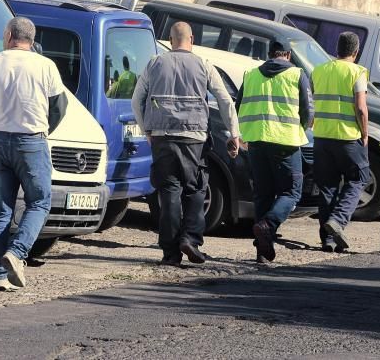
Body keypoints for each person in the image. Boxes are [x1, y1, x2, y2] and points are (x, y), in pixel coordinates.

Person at [0, 17, 68, 290]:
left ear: (9, 35)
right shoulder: (46, 66)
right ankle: (17, 252)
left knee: (1, 209)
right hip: (31, 142)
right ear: (31, 40)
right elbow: (59, 106)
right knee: (39, 203)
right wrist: (45, 129)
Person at [132, 21, 240, 266]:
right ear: (191, 38)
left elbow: (136, 100)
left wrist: (146, 130)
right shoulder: (204, 65)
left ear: (170, 40)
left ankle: (170, 253)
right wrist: (234, 133)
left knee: (169, 192)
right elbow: (224, 100)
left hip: (161, 137)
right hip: (194, 139)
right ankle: (190, 239)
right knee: (195, 189)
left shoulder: (155, 63)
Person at [236, 39, 313, 263]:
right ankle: (268, 225)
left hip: (256, 142)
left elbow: (238, 105)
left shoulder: (250, 75)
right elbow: (308, 112)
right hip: (286, 143)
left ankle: (262, 252)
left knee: (263, 194)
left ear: (269, 54)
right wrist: (302, 127)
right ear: (288, 55)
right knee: (292, 193)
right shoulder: (297, 75)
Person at [311, 32, 369, 253]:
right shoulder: (357, 72)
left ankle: (328, 240)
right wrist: (364, 133)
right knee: (359, 178)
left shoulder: (319, 70)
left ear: (337, 49)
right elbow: (361, 108)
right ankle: (338, 220)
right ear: (356, 52)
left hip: (322, 137)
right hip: (348, 137)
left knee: (327, 187)